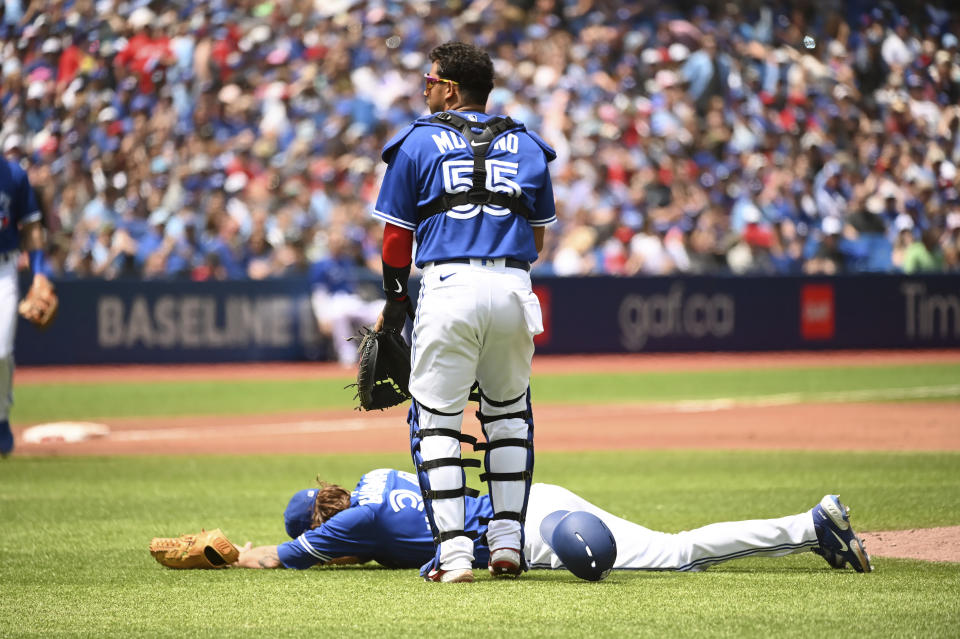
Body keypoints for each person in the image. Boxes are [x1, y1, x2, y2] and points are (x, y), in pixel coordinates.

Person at [369, 42, 557, 582]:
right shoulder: (526, 143)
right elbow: (537, 239)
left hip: (449, 284)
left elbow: (394, 240)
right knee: (509, 418)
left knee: (435, 423)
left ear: (449, 88)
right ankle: (505, 543)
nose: (423, 88)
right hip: (513, 286)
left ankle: (453, 552)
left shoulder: (416, 141)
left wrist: (395, 303)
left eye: (428, 80)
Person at [231, 468, 873, 576]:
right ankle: (809, 529)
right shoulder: (377, 478)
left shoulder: (352, 525)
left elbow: (275, 559)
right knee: (673, 548)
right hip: (531, 498)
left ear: (319, 524)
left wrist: (232, 554)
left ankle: (810, 527)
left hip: (531, 535)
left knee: (678, 555)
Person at [0, 156, 49, 457]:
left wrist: (40, 274)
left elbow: (31, 227)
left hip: (4, 270)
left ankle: (1, 419)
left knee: (2, 350)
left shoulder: (14, 175)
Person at [308, 233, 382, 367]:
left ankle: (396, 350)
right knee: (339, 312)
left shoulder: (348, 261)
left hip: (354, 301)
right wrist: (322, 318)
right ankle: (347, 354)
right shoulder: (320, 264)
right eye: (334, 241)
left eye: (340, 242)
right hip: (334, 302)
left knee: (384, 308)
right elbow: (319, 294)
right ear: (328, 243)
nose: (338, 245)